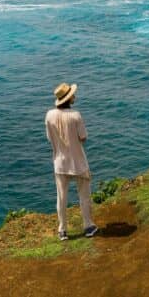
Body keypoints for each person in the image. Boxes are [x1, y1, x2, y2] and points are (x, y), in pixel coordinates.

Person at [45, 82, 98, 241]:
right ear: (69, 98)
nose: (75, 96)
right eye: (73, 94)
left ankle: (62, 230)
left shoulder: (49, 115)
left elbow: (49, 138)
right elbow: (83, 137)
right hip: (78, 162)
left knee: (61, 197)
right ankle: (88, 226)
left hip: (60, 163)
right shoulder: (76, 115)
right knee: (84, 195)